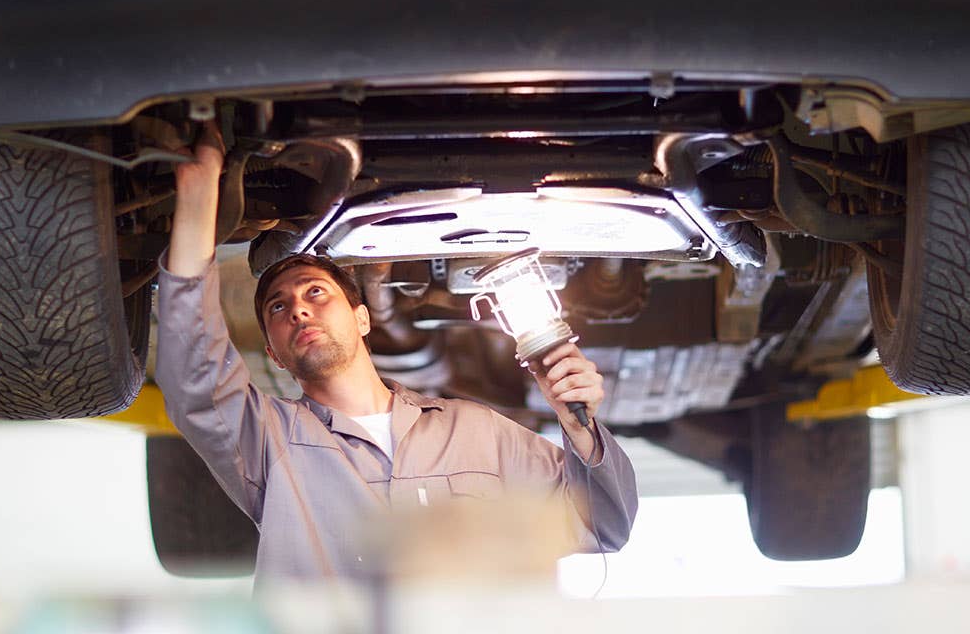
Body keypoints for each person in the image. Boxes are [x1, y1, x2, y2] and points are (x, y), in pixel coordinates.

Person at [155, 123, 639, 582]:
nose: (299, 310)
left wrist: (579, 428)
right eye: (279, 307)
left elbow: (601, 526)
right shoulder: (267, 442)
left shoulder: (477, 432)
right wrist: (197, 210)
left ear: (362, 318)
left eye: (316, 293)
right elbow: (196, 375)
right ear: (274, 355)